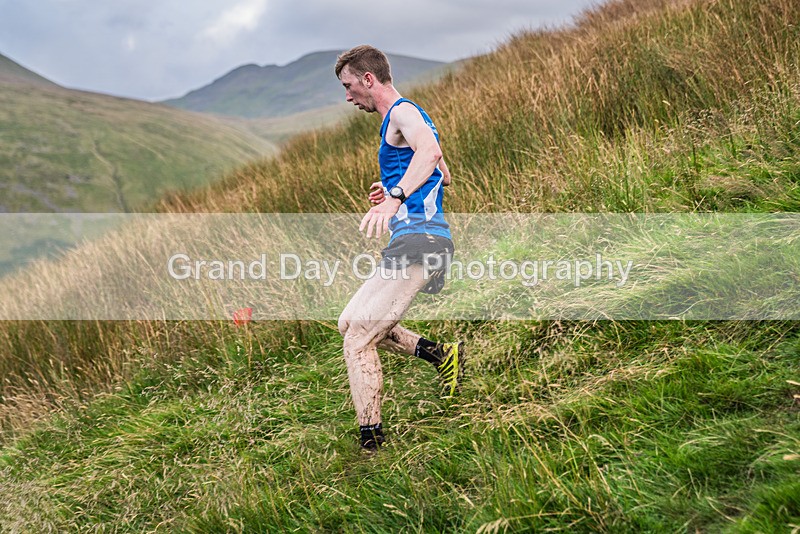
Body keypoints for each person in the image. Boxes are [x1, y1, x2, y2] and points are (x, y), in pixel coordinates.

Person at [334, 45, 464, 451]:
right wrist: (400, 187)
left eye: (350, 86)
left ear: (368, 79)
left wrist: (395, 195)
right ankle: (441, 356)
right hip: (412, 239)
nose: (349, 96)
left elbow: (432, 153)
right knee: (348, 322)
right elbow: (442, 176)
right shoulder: (406, 120)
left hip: (421, 241)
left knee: (358, 341)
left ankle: (372, 446)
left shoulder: (402, 112)